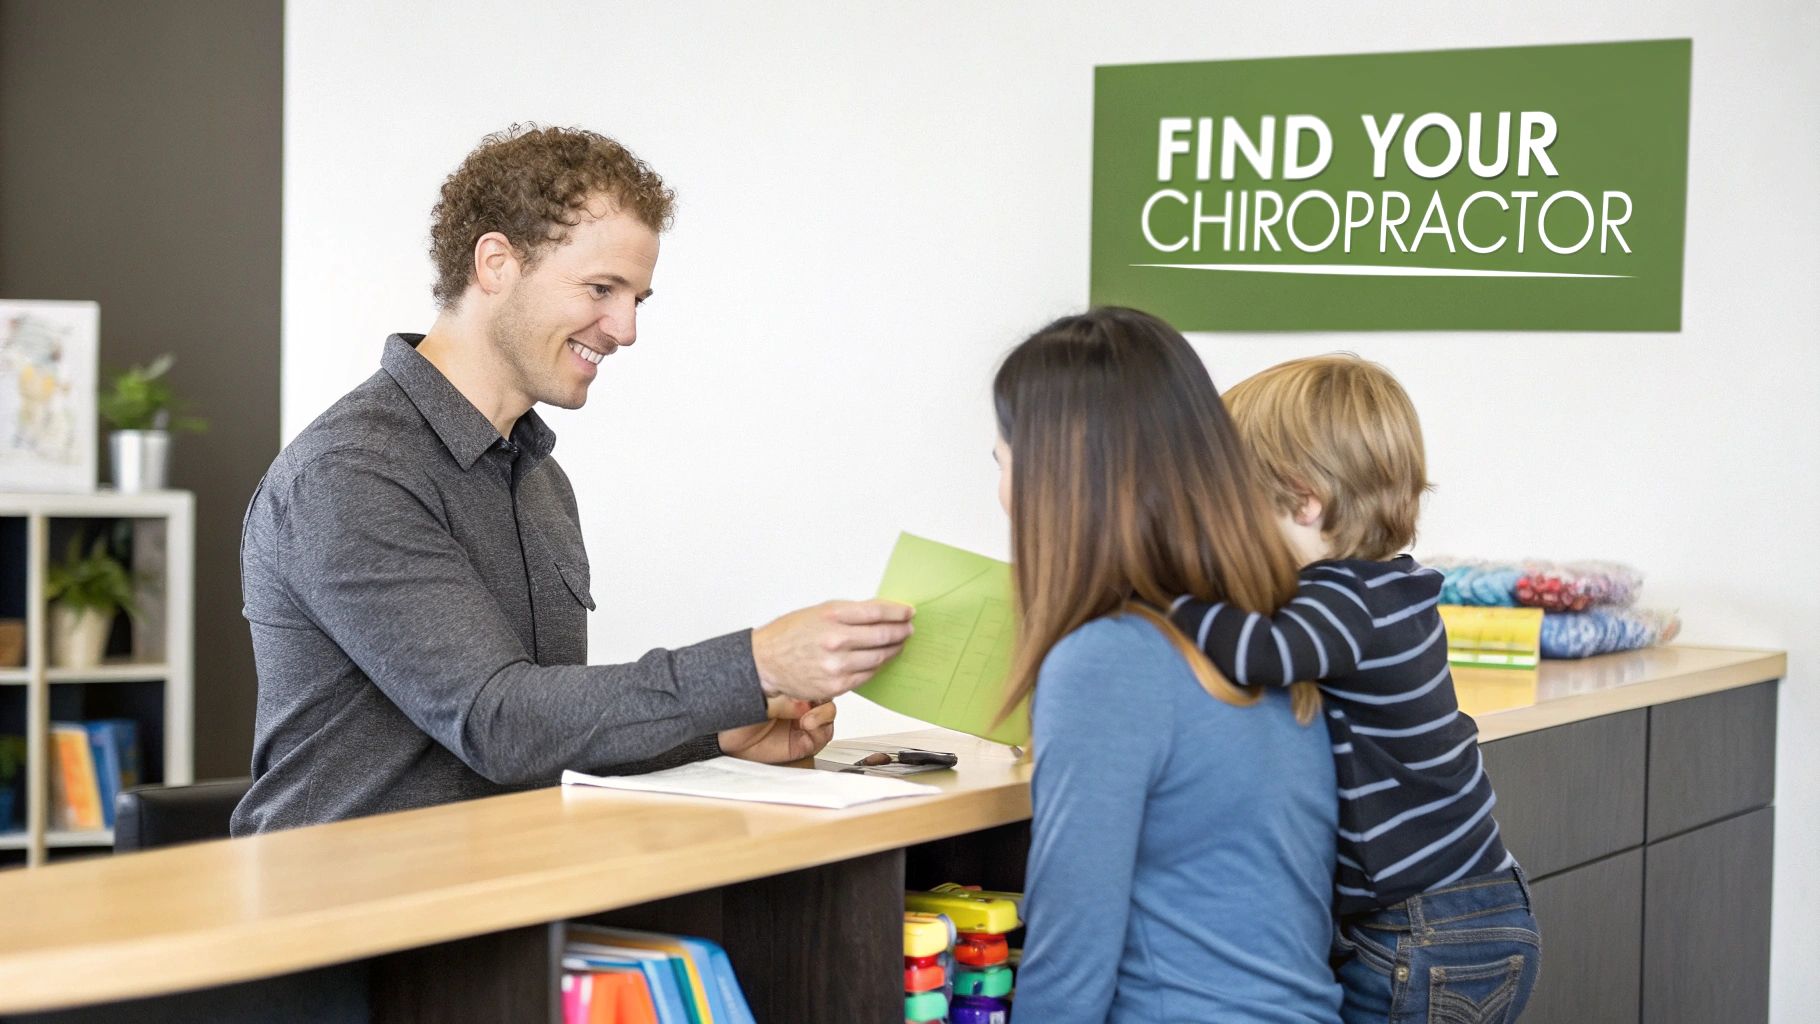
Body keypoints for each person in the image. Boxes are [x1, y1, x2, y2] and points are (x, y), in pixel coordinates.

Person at [232, 125, 912, 835]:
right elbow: (498, 723)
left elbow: (541, 734)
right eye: (601, 288)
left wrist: (716, 733)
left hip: (508, 894)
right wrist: (755, 664)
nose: (624, 328)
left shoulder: (541, 480)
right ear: (495, 264)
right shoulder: (349, 475)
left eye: (637, 299)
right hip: (346, 916)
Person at [994, 307, 1343, 1023]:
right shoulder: (1270, 631)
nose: (1002, 493)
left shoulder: (1108, 661)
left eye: (1002, 462)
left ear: (1055, 478)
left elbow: (1070, 955)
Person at [1169, 354, 1541, 1022]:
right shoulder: (1384, 585)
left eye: (1228, 502)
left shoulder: (1343, 599)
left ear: (1305, 501)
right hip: (1465, 909)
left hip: (1429, 929)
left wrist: (1161, 595)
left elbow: (1261, 651)